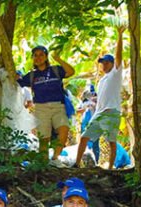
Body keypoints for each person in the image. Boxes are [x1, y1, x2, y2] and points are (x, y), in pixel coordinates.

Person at [18, 45, 74, 162]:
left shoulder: (55, 70)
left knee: (64, 130)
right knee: (44, 139)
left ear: (46, 57)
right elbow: (18, 82)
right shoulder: (32, 75)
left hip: (58, 106)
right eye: (35, 55)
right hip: (41, 109)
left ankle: (55, 159)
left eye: (41, 55)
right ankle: (43, 165)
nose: (38, 58)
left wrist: (58, 58)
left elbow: (71, 71)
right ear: (32, 58)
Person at [82, 24, 126, 169]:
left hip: (111, 112)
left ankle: (110, 168)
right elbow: (100, 97)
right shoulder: (102, 80)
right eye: (102, 63)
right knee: (85, 137)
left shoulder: (115, 73)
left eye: (106, 62)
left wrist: (120, 35)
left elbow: (119, 55)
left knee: (111, 141)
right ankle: (77, 164)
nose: (104, 65)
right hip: (99, 113)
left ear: (112, 64)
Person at [74, 85, 98, 167]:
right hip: (85, 123)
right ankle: (85, 162)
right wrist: (84, 109)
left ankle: (95, 161)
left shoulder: (96, 101)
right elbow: (77, 111)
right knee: (85, 143)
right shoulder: (83, 103)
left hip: (95, 123)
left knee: (95, 143)